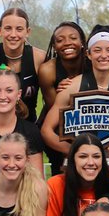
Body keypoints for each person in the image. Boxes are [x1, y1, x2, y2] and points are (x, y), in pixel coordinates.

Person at [41, 26, 109, 160]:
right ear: (88, 54)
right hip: (79, 169)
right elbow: (46, 131)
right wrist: (74, 150)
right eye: (97, 50)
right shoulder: (71, 87)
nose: (103, 55)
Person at [37, 22, 91, 175]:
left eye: (73, 38)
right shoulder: (48, 70)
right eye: (60, 40)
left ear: (82, 43)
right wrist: (64, 94)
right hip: (58, 124)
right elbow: (57, 112)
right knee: (62, 169)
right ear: (54, 46)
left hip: (89, 119)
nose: (67, 43)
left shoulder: (93, 64)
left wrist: (75, 85)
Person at [0, 7, 50, 115]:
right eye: (8, 28)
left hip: (27, 126)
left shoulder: (39, 57)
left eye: (19, 29)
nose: (13, 35)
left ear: (28, 32)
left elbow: (51, 96)